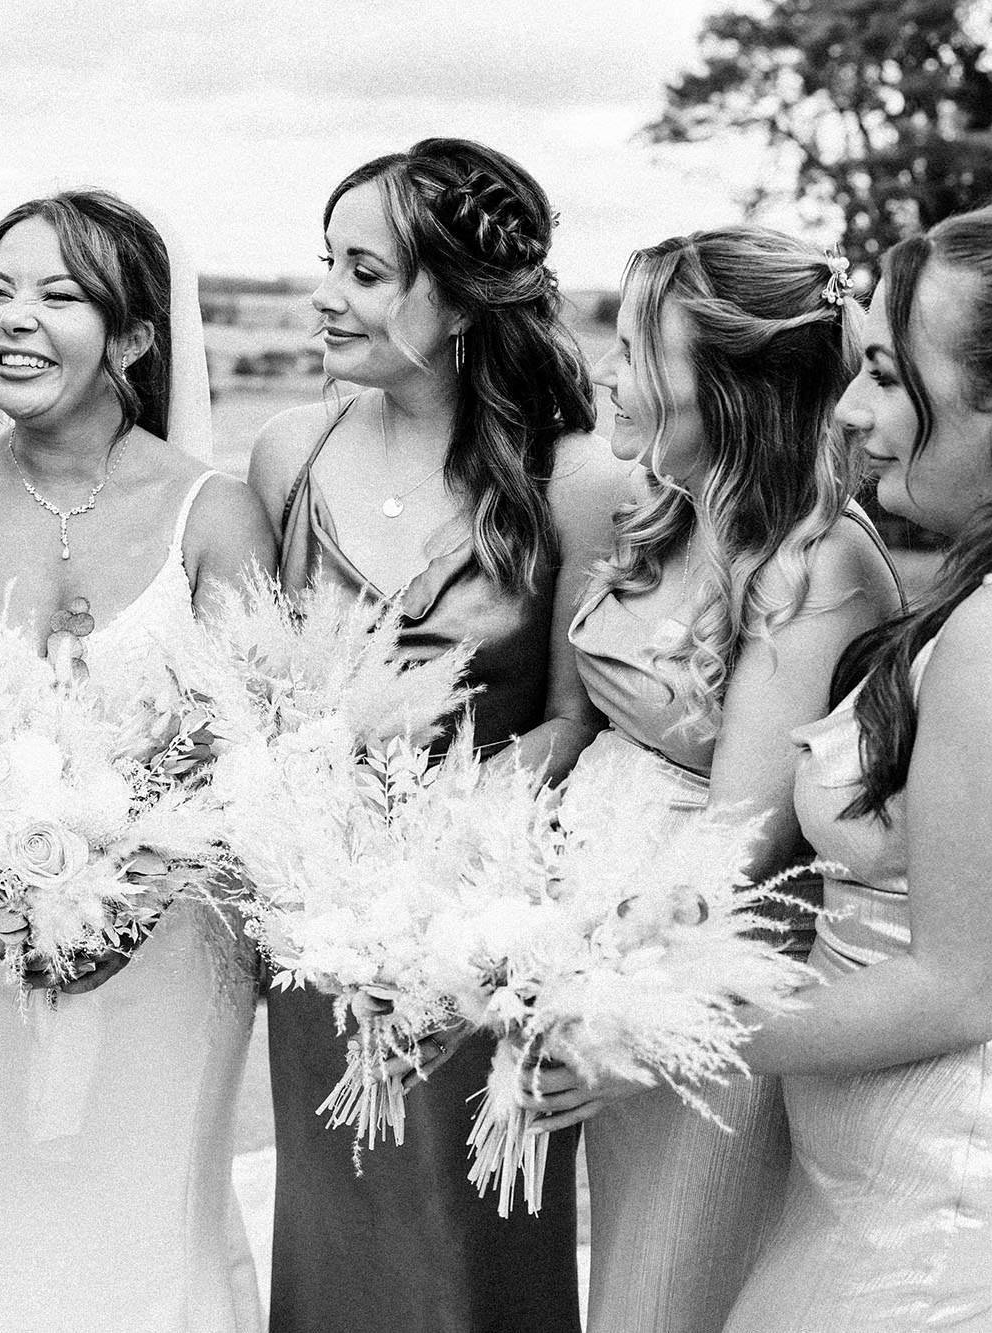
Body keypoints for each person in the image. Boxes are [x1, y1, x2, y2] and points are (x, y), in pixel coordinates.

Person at [0, 189, 276, 1333]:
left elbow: (244, 743)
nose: (13, 317)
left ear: (134, 337)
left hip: (175, 947)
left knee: (150, 1230)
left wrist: (129, 883)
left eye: (56, 294)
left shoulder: (217, 515)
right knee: (4, 1226)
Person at [243, 136, 624, 1333]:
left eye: (363, 272)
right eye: (326, 263)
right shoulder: (287, 455)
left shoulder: (573, 479)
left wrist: (444, 827)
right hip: (322, 942)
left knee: (472, 1259)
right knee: (339, 1243)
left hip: (486, 941)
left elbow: (575, 721)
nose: (324, 295)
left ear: (457, 300)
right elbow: (256, 697)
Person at [717, 202, 992, 1328]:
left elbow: (957, 986)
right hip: (903, 1188)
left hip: (949, 1212)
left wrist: (657, 1029)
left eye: (887, 376)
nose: (850, 409)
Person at [521, 226, 899, 1332]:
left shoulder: (815, 565)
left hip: (699, 982)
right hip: (601, 943)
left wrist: (625, 1006)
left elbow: (740, 838)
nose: (607, 374)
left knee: (659, 1305)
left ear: (737, 389)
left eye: (640, 353)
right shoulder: (661, 511)